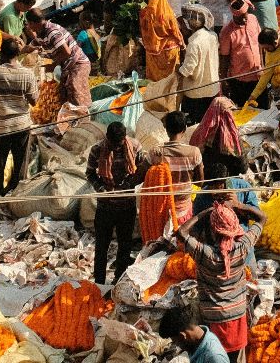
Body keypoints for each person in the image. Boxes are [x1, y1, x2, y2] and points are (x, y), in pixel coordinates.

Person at [179, 200, 264, 360]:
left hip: (214, 322)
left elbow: (182, 232)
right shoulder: (242, 248)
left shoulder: (205, 254)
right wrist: (239, 206)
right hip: (238, 320)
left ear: (213, 230)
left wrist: (205, 213)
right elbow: (262, 218)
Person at [88, 121, 146, 284]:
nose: (116, 148)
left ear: (124, 138)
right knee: (101, 246)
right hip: (105, 206)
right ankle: (99, 281)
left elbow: (141, 171)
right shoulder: (97, 150)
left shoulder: (135, 147)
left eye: (119, 144)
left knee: (125, 245)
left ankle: (119, 279)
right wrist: (101, 188)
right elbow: (90, 173)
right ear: (107, 138)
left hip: (126, 206)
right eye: (113, 144)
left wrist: (129, 184)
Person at [0, 40, 38, 190]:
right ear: (18, 54)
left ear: (1, 53)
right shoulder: (27, 74)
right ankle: (15, 189)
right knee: (19, 161)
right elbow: (34, 101)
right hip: (21, 125)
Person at [176, 8, 221, 121]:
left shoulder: (194, 43)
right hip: (213, 88)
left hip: (196, 92)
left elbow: (188, 69)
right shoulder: (213, 35)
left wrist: (178, 72)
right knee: (210, 122)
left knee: (197, 124)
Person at [157, 303, 229, 363]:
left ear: (182, 336)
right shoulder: (197, 341)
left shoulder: (214, 357)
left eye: (176, 341)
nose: (177, 345)